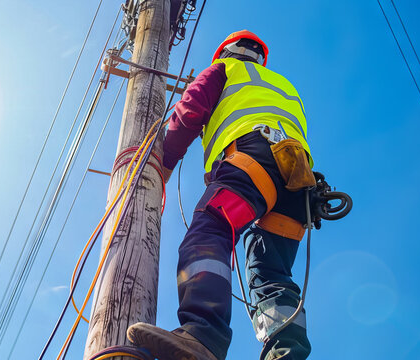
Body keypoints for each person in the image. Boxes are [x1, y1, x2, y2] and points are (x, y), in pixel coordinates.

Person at [126, 30, 314, 360]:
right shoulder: (285, 88)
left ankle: (203, 333)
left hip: (253, 161)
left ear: (226, 52)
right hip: (300, 182)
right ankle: (287, 353)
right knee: (271, 275)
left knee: (211, 233)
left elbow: (190, 110)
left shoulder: (225, 70)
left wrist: (165, 163)